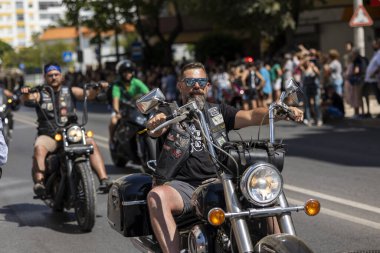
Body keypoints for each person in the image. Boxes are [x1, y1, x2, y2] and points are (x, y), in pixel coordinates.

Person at [145, 62, 304, 253]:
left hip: (223, 180)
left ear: (207, 86)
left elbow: (251, 114)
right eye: (190, 81)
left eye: (201, 81)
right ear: (180, 85)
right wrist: (156, 121)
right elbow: (155, 129)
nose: (196, 85)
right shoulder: (171, 112)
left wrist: (277, 111)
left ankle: (280, 246)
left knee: (265, 193)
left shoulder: (218, 111)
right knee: (157, 196)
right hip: (184, 186)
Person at [21, 62, 112, 195]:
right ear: (45, 77)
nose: (53, 77)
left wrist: (98, 87)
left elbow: (88, 94)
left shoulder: (70, 90)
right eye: (50, 75)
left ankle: (104, 179)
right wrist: (26, 93)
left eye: (56, 74)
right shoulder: (40, 92)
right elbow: (29, 99)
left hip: (71, 133)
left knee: (91, 141)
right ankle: (40, 183)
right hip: (49, 135)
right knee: (39, 147)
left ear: (61, 76)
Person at [108, 59, 149, 145]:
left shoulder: (136, 82)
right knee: (113, 121)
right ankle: (111, 139)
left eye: (130, 72)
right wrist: (117, 112)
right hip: (121, 109)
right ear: (120, 73)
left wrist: (154, 105)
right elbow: (115, 100)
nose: (128, 74)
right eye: (125, 72)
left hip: (135, 108)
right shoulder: (117, 85)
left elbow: (148, 94)